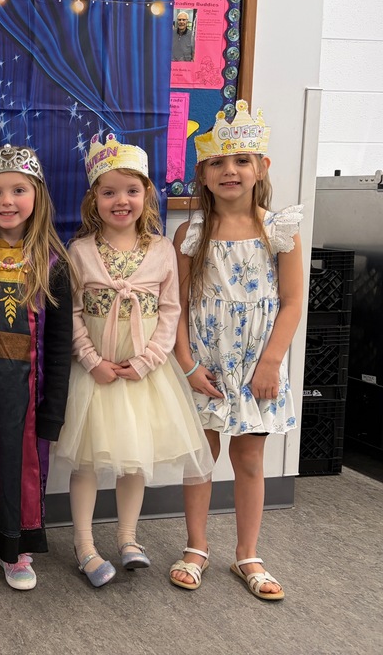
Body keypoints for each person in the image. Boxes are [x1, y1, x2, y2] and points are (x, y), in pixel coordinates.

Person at [54, 133, 213, 588]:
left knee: (133, 460)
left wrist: (147, 360)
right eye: (108, 192)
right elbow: (74, 313)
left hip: (144, 372)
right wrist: (90, 359)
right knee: (86, 460)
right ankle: (84, 544)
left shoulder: (162, 249)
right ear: (93, 199)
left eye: (131, 190)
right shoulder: (80, 250)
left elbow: (170, 310)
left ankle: (128, 536)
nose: (120, 201)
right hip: (96, 371)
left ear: (147, 194)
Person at [169, 101, 302, 601]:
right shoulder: (191, 234)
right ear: (202, 174)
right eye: (219, 163)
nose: (231, 171)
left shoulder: (280, 230)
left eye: (242, 160)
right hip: (206, 366)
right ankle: (196, 547)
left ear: (261, 168)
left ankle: (248, 553)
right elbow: (177, 307)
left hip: (255, 368)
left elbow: (291, 303)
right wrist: (187, 365)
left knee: (249, 458)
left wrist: (270, 364)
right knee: (201, 458)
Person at [0, 144, 74, 594]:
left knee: (22, 465)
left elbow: (61, 344)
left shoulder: (53, 266)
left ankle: (17, 545)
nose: (7, 201)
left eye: (19, 190)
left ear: (38, 197)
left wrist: (54, 410)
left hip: (28, 397)